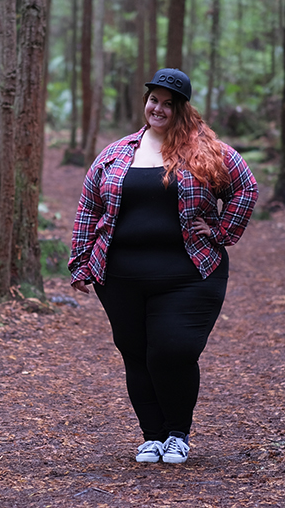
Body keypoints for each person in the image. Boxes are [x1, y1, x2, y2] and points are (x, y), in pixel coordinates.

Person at [68, 68, 258, 464]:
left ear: (182, 109)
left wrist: (222, 231)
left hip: (190, 273)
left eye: (169, 104)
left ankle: (178, 433)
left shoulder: (209, 152)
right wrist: (81, 262)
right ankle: (153, 435)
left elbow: (246, 187)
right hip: (119, 277)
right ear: (146, 101)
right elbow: (90, 206)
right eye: (154, 99)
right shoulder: (116, 153)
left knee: (172, 351)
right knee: (136, 353)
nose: (159, 108)